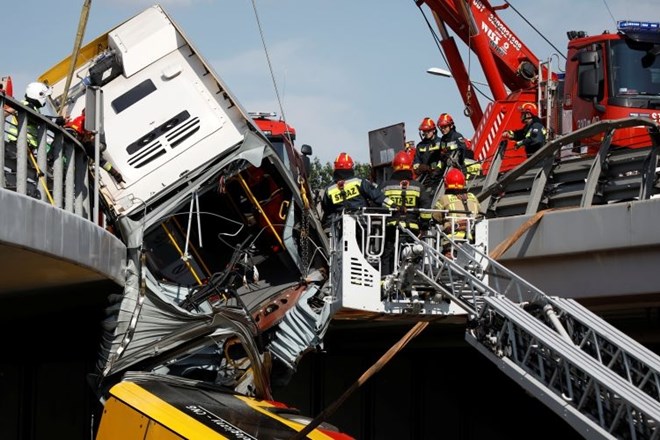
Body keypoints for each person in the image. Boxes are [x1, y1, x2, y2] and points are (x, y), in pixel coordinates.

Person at [379, 150, 432, 276]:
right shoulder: (418, 186)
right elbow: (425, 210)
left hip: (392, 228)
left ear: (394, 168)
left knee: (387, 255)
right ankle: (411, 279)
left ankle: (384, 279)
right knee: (413, 255)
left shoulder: (386, 186)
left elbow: (377, 203)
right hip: (412, 229)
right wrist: (423, 227)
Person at [320, 152, 393, 228]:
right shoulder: (359, 182)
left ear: (335, 168)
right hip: (362, 224)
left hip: (340, 228)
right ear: (351, 167)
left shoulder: (329, 189)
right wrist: (393, 205)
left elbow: (327, 209)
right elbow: (377, 196)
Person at [64, 109, 124, 184]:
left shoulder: (86, 145)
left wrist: (114, 173)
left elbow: (101, 161)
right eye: (91, 135)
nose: (92, 138)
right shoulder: (72, 129)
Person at [432, 168, 480, 258]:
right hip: (471, 240)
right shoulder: (473, 197)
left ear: (446, 184)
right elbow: (478, 213)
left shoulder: (444, 198)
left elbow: (435, 217)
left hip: (452, 241)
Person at [413, 117, 444, 203]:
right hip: (425, 178)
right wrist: (420, 168)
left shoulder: (441, 142)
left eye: (428, 131)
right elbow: (416, 163)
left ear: (434, 130)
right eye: (424, 131)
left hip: (439, 177)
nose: (426, 133)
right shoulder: (420, 146)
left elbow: (444, 159)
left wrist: (437, 169)